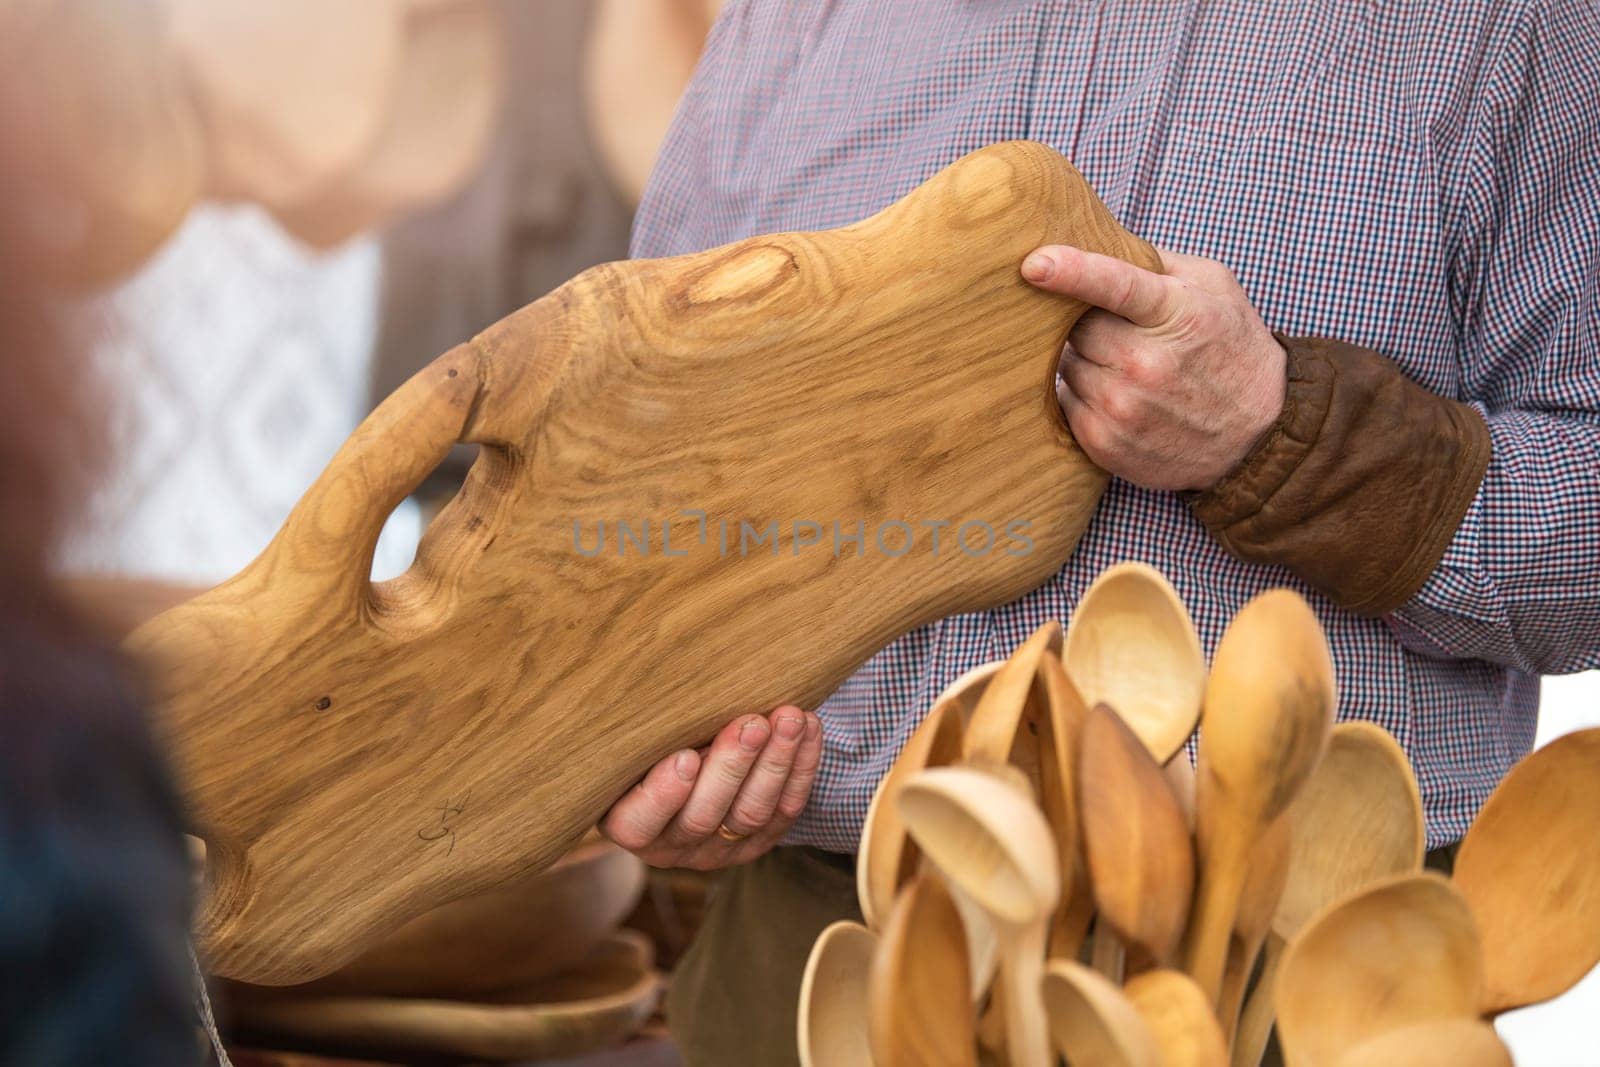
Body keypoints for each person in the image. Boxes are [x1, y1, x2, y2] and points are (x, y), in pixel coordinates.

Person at [600, 2, 1600, 1062]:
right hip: (813, 964)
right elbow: (652, 454)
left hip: (1303, 985)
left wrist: (1275, 430)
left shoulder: (1509, 23)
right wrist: (675, 737)